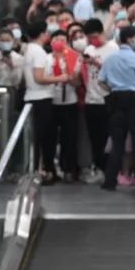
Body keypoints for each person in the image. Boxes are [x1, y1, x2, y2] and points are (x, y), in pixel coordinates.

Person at [99, 25, 135, 190]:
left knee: (117, 143)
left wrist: (113, 89)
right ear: (130, 39)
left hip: (116, 101)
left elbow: (101, 81)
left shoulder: (110, 59)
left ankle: (110, 181)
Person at [22, 20, 69, 183]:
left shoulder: (30, 49)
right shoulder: (38, 52)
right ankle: (41, 171)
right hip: (40, 98)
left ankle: (38, 169)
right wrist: (60, 78)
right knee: (43, 138)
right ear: (42, 34)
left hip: (34, 97)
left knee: (38, 137)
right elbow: (39, 77)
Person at [80, 19, 117, 184]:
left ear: (102, 33)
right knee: (94, 137)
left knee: (109, 137)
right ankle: (99, 168)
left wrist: (98, 63)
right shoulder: (89, 49)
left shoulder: (113, 49)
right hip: (91, 99)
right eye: (89, 38)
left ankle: (111, 170)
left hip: (107, 98)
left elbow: (115, 72)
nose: (92, 41)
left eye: (94, 37)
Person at [47, 30, 82, 182]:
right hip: (51, 100)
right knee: (50, 138)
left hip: (70, 101)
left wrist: (69, 73)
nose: (59, 43)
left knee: (70, 137)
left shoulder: (75, 57)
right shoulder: (47, 58)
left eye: (63, 40)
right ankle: (49, 170)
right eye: (56, 39)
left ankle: (69, 169)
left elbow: (77, 82)